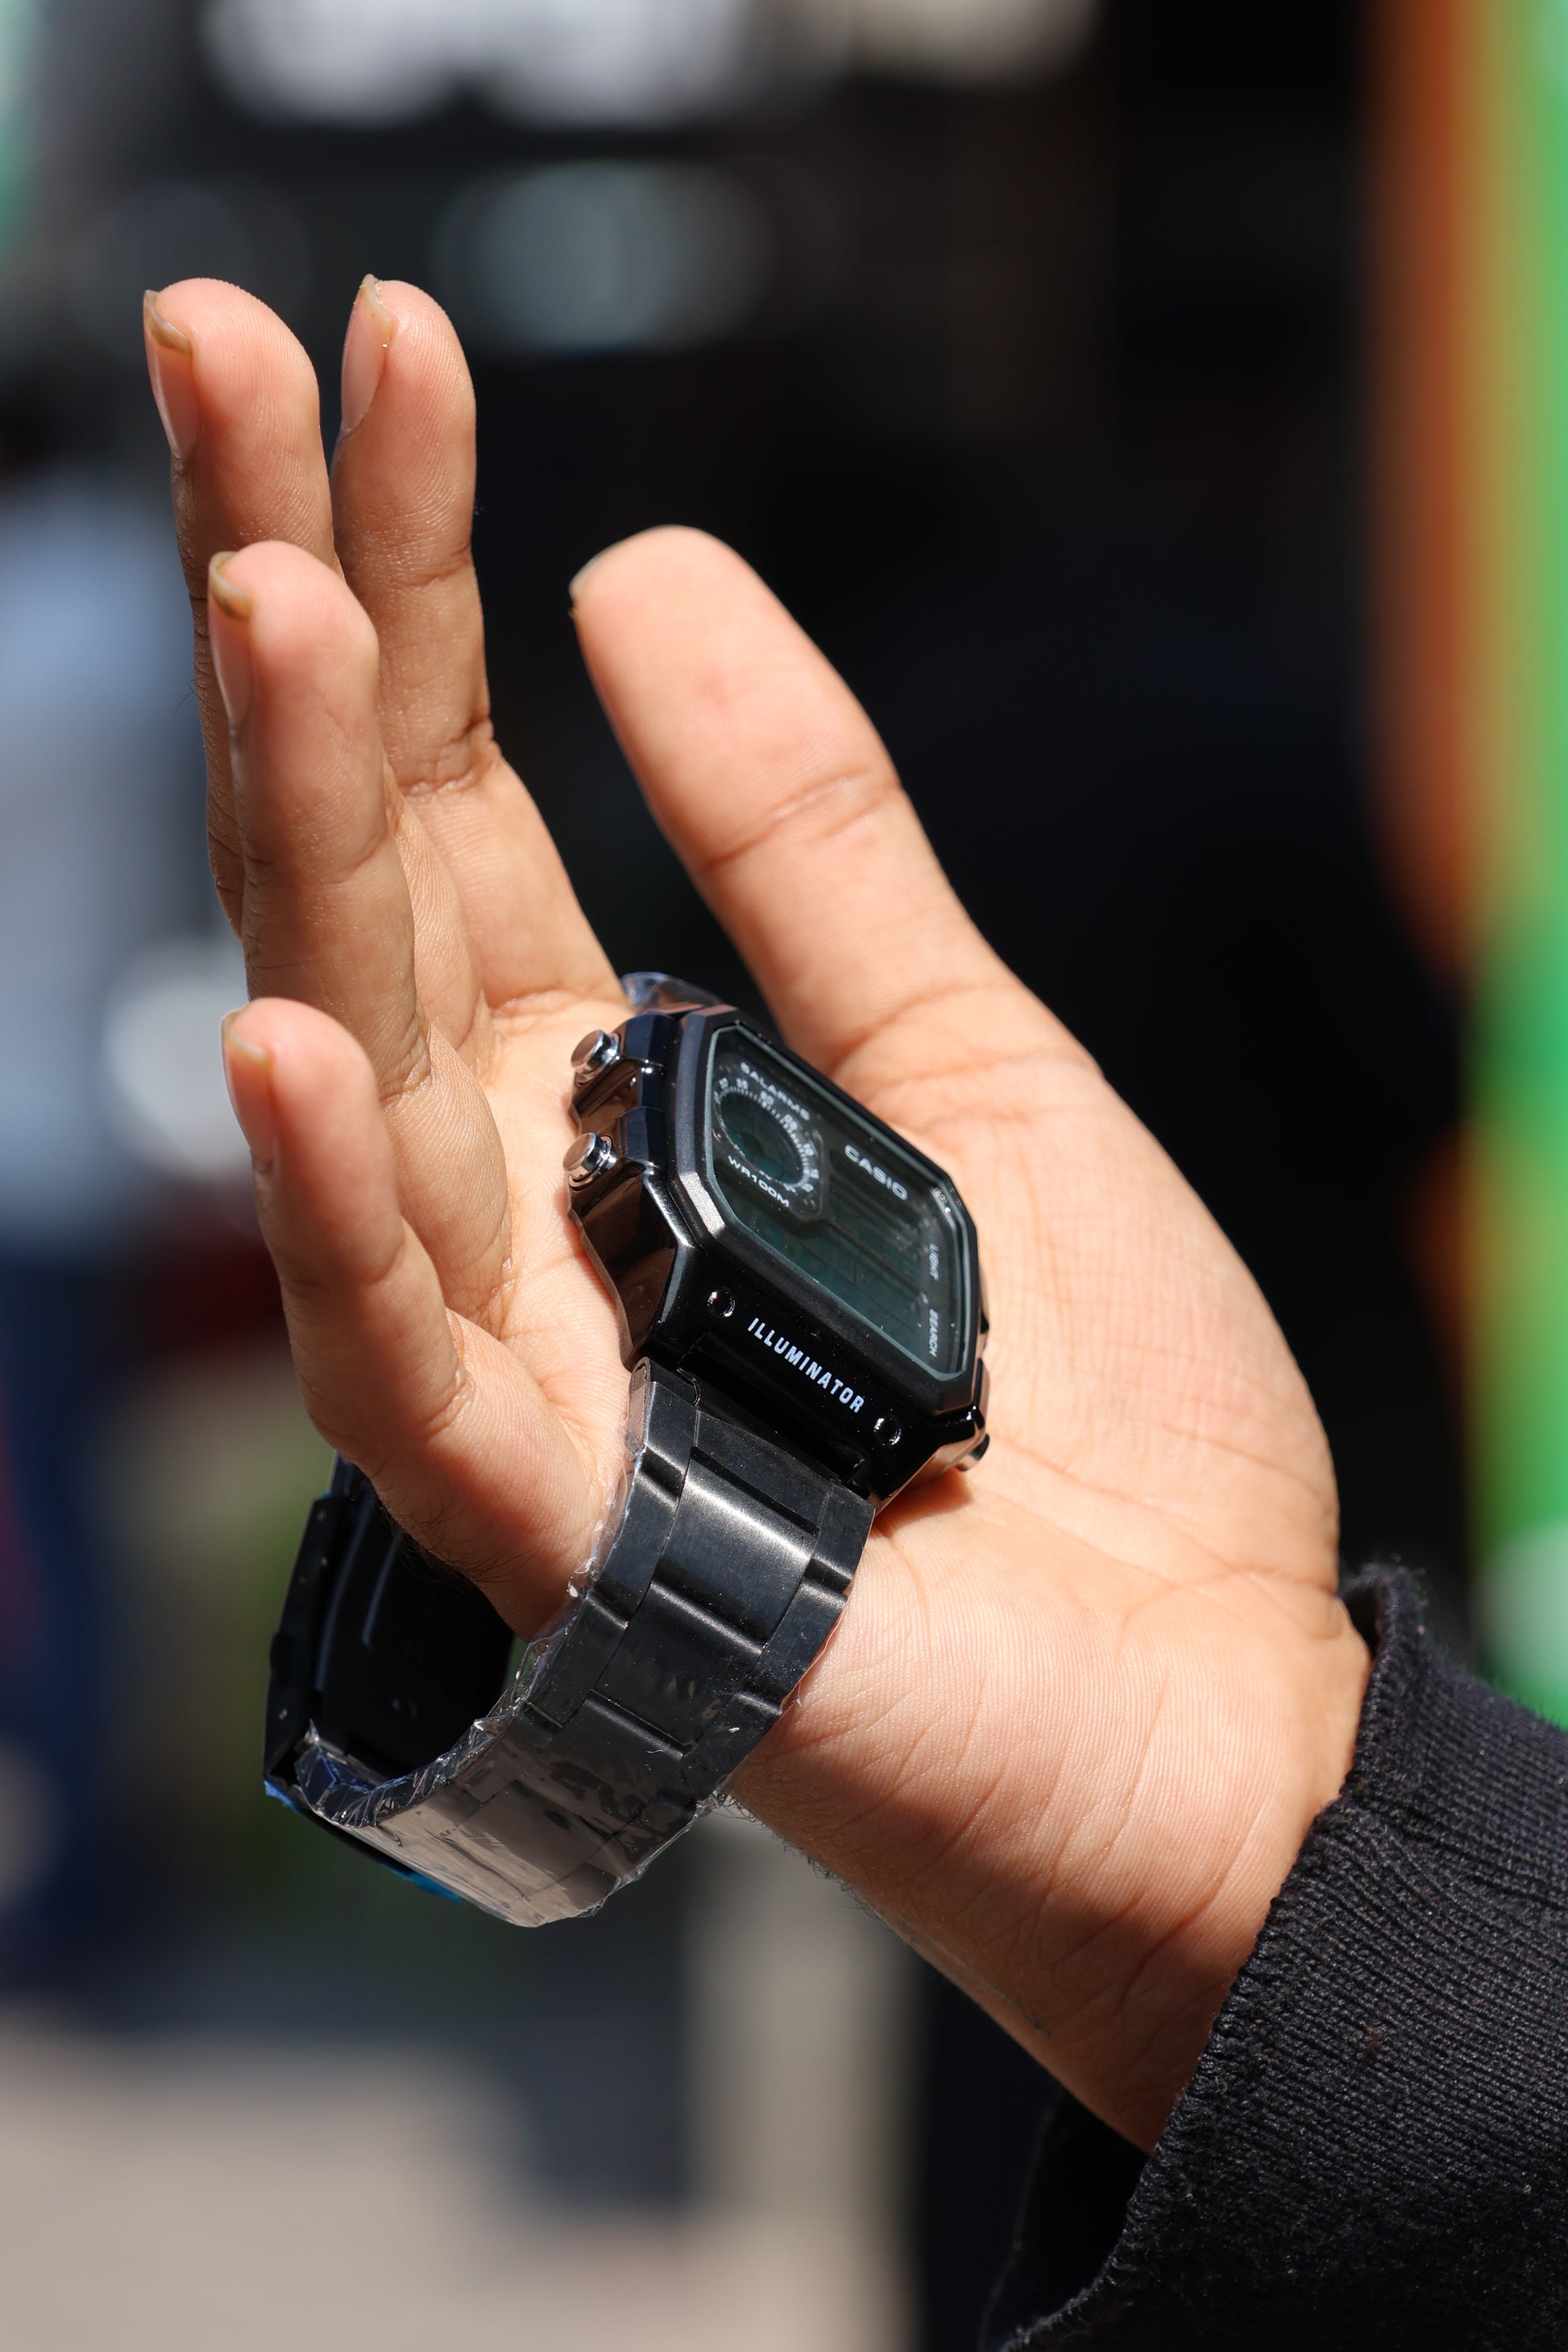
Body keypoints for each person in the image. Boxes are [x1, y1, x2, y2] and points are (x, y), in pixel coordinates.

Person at [143, 274, 1568, 2346]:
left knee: (980, 2027)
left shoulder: (945, 674)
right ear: (1256, 436)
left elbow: (679, 1002)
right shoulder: (1255, 699)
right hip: (1209, 1428)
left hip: (888, 1427)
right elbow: (1415, 1074)